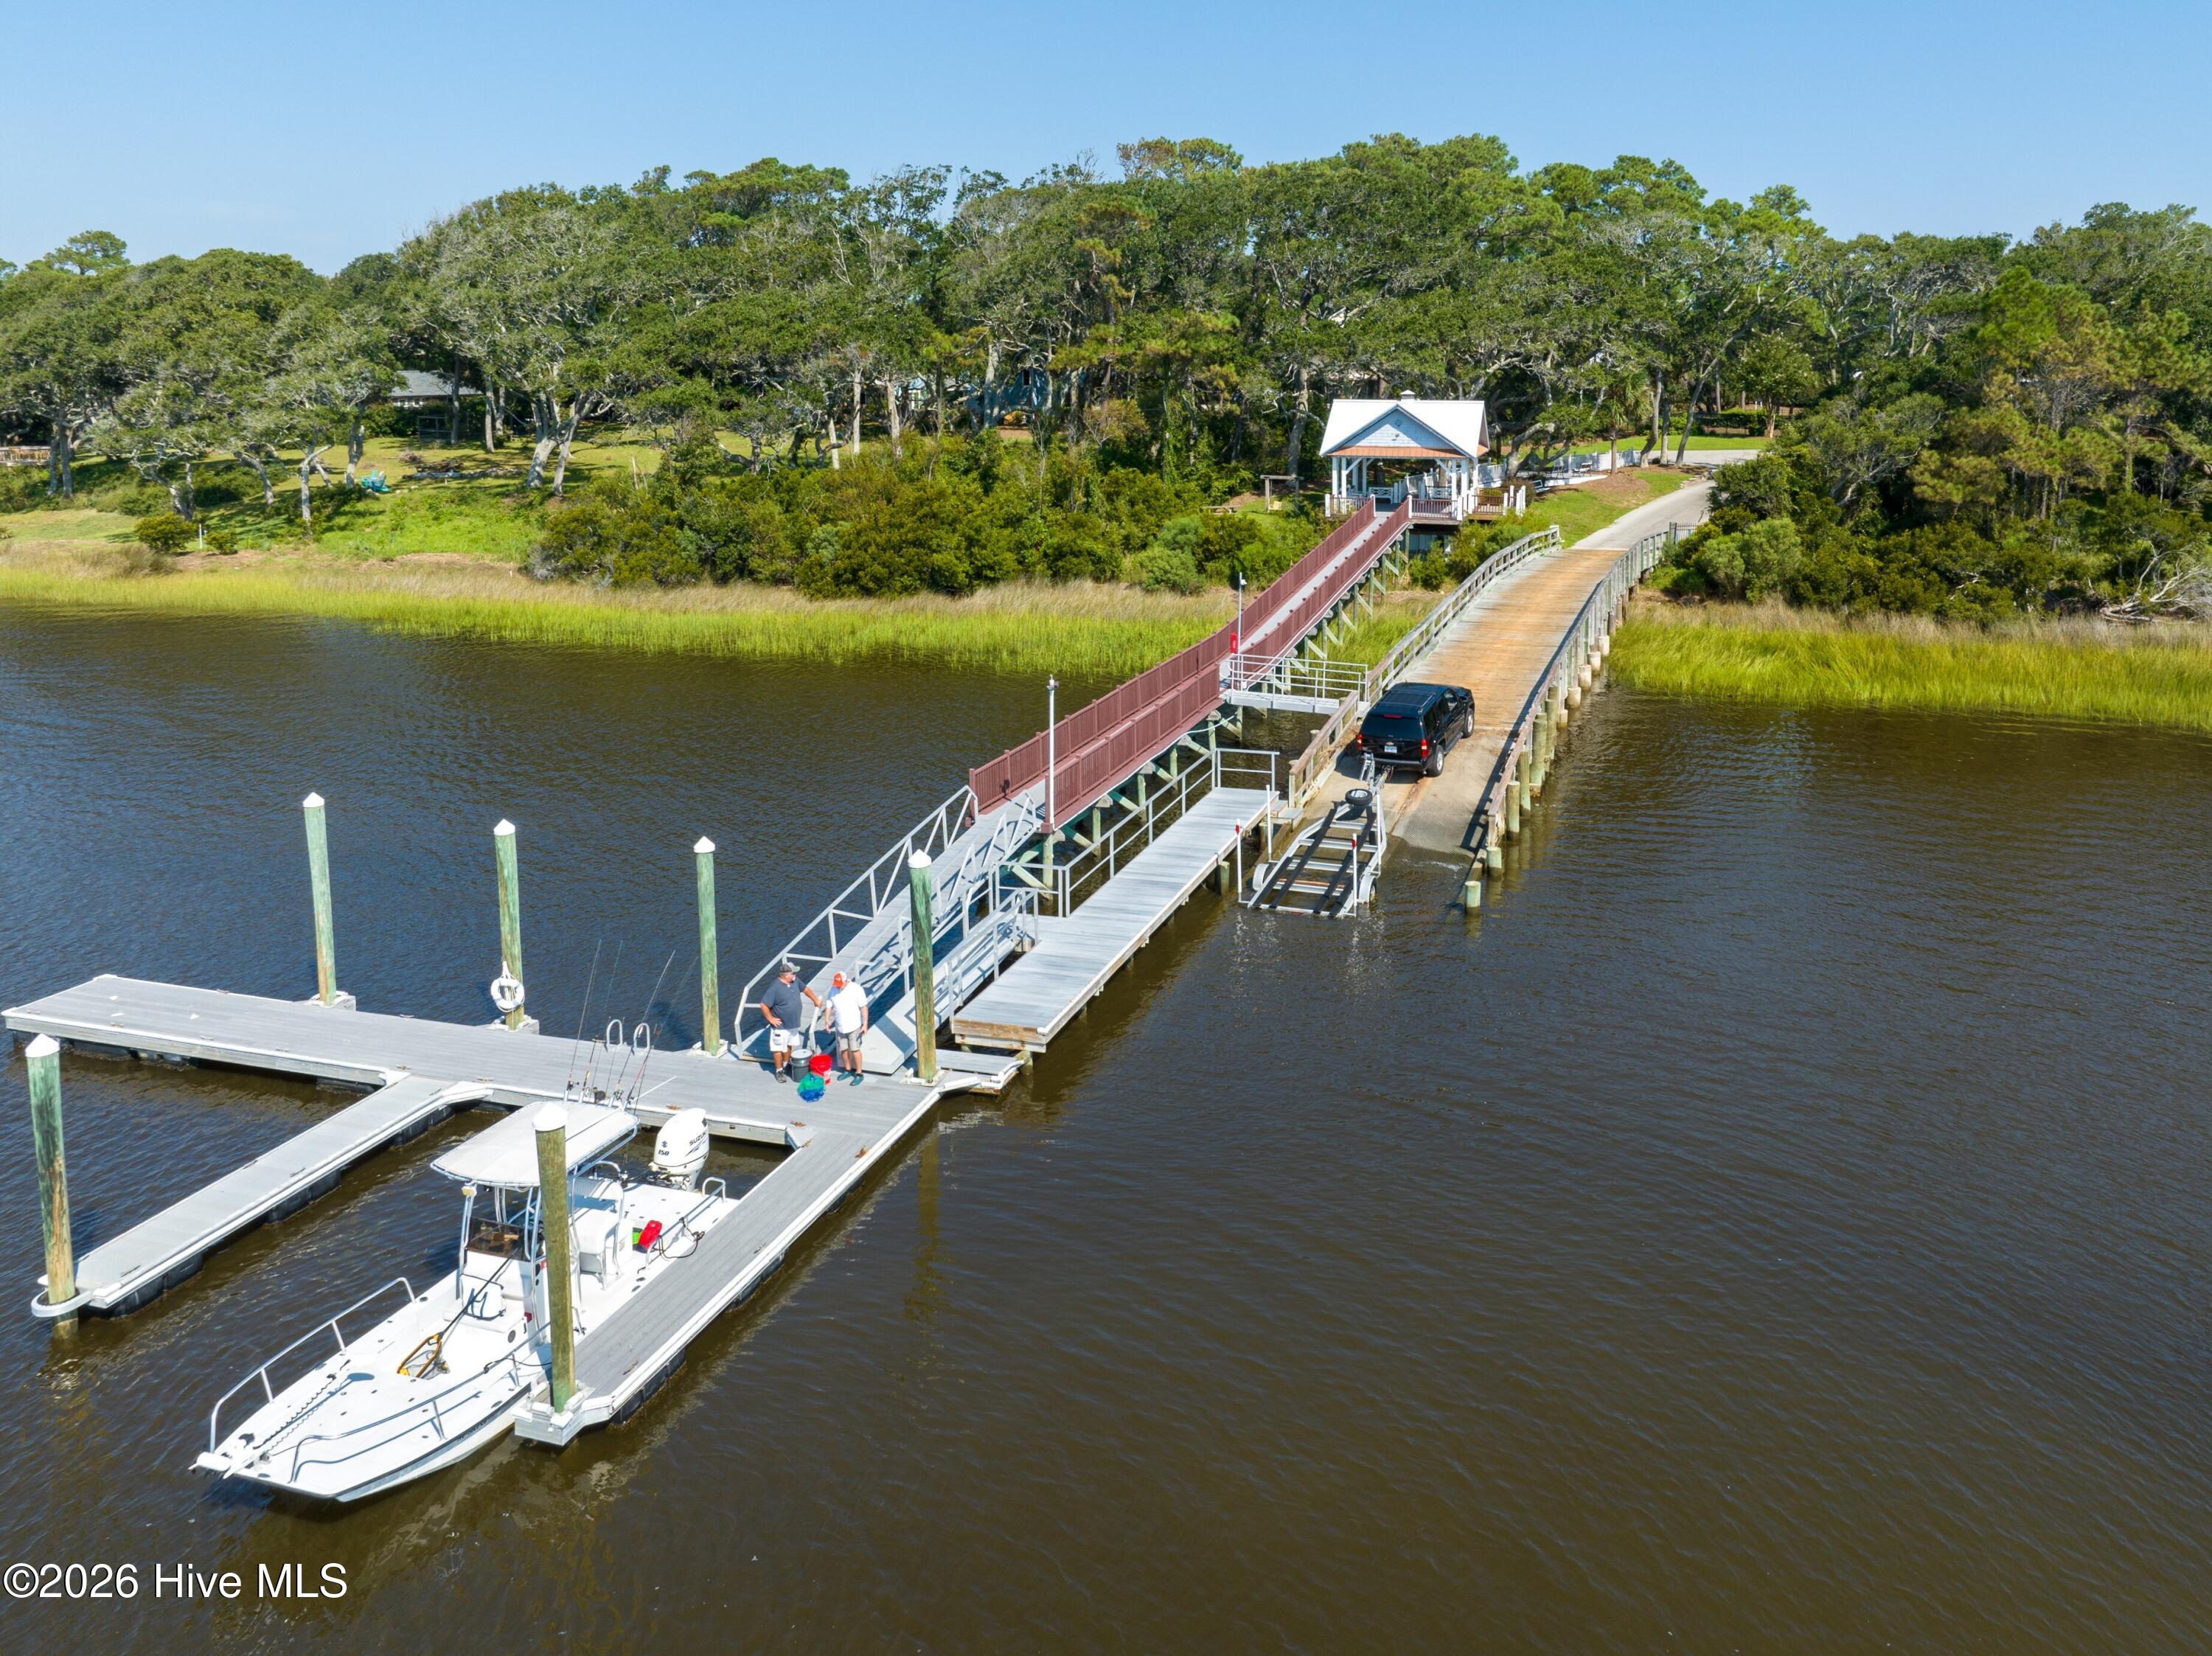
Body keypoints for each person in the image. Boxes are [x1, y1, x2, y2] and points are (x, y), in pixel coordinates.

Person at [757, 960, 821, 1084]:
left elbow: (806, 989)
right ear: (786, 975)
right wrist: (770, 1018)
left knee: (789, 1045)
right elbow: (764, 1004)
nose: (795, 975)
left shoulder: (795, 981)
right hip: (781, 1025)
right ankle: (779, 1070)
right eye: (793, 973)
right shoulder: (775, 988)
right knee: (778, 1048)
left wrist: (815, 1000)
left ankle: (786, 1065)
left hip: (793, 1023)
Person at [825, 970, 869, 1085]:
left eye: (840, 984)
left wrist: (865, 1023)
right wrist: (827, 1021)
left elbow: (863, 1007)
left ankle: (859, 1073)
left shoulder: (856, 989)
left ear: (846, 981)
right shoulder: (833, 990)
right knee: (843, 1050)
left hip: (854, 1026)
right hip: (840, 1026)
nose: (838, 987)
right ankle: (847, 1070)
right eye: (836, 984)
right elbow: (829, 1006)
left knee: (855, 1049)